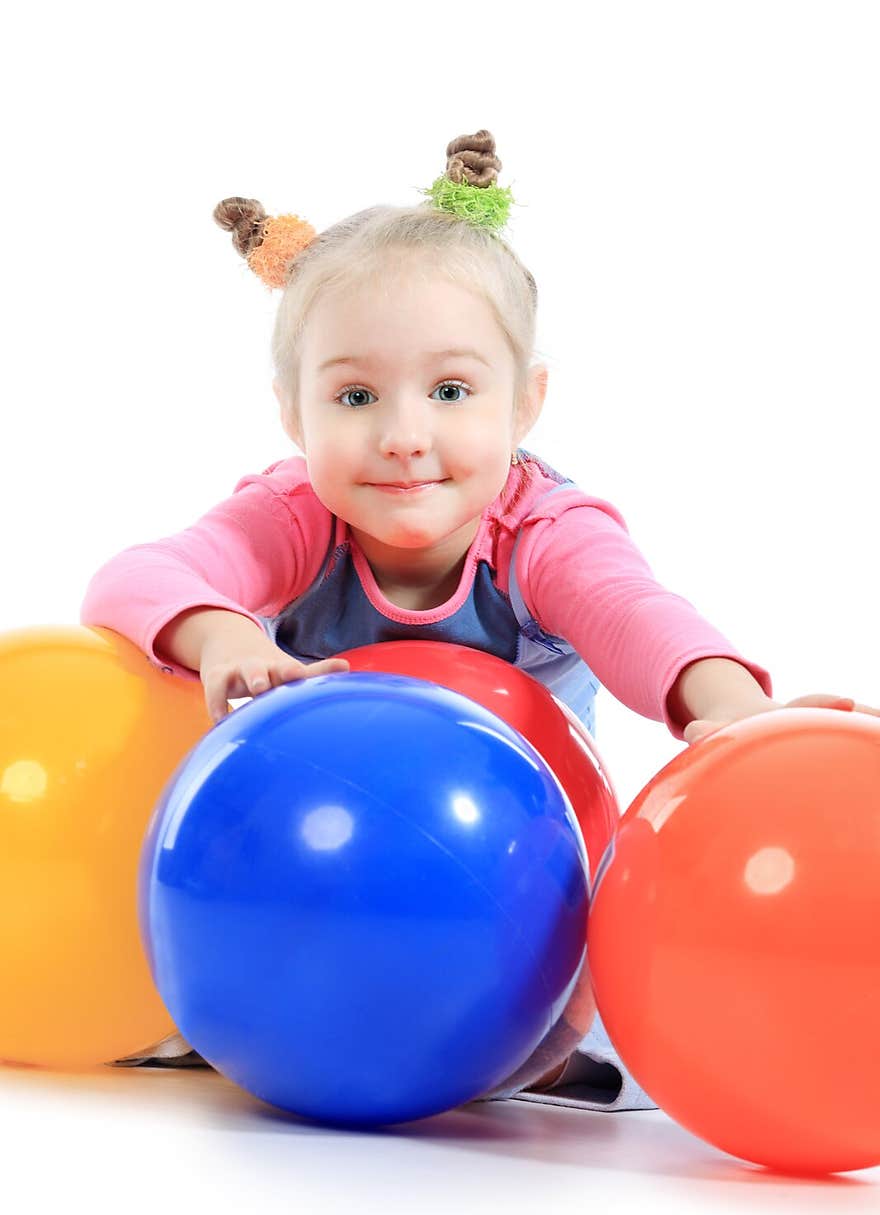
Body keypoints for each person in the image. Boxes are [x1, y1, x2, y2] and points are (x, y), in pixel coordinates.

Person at [81, 130, 876, 1111]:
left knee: (571, 940)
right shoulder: (297, 512)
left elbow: (634, 616)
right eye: (355, 394)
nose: (404, 435)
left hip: (517, 860)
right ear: (293, 412)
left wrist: (737, 711)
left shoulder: (541, 529)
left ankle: (543, 1032)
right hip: (319, 853)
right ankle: (250, 1002)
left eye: (451, 391)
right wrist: (227, 637)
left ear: (524, 404)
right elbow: (137, 577)